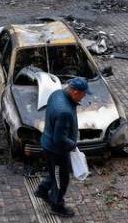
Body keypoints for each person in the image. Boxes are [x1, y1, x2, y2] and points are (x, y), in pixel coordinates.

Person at [34, 77, 89, 217]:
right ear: (75, 92)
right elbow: (59, 139)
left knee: (54, 172)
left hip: (47, 143)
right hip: (56, 151)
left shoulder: (57, 94)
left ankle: (42, 190)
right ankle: (57, 206)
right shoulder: (64, 111)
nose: (85, 96)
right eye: (84, 93)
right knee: (62, 179)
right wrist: (73, 145)